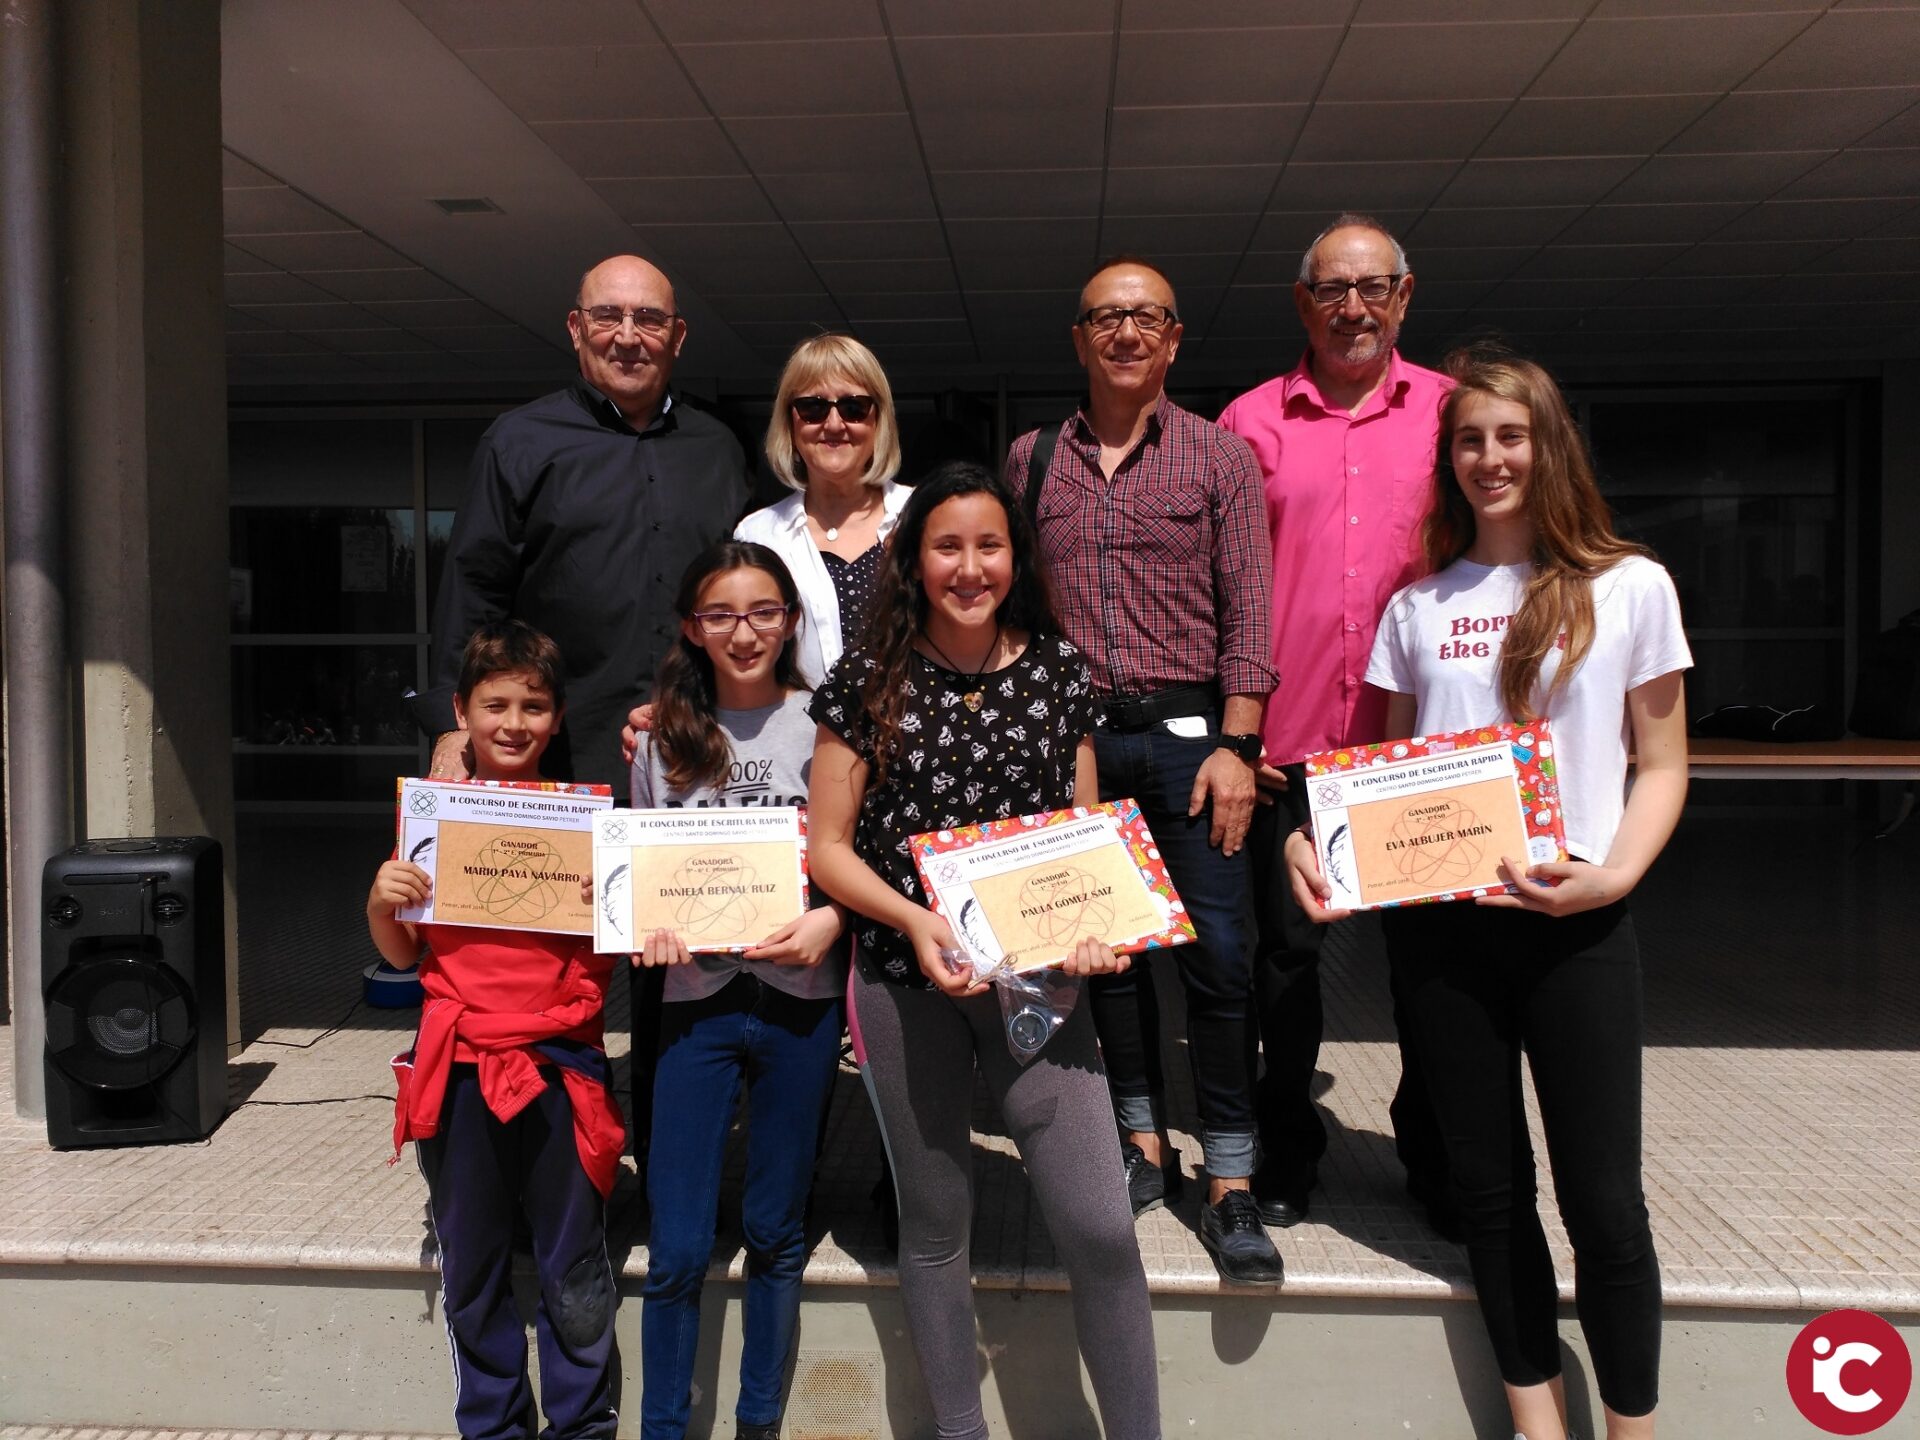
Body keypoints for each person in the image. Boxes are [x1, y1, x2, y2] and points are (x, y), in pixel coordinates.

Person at [1287, 348, 1689, 1440]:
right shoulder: (1417, 607)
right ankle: (1537, 1424)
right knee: (1490, 1194)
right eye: (1469, 440)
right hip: (1442, 938)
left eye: (1511, 435)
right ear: (1448, 460)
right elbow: (1372, 777)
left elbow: (1663, 765)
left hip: (1578, 928)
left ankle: (1633, 1430)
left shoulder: (1629, 586)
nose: (1490, 457)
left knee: (1605, 1205)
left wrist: (1613, 876)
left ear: (1550, 445)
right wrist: (1315, 844)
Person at [808, 462, 1162, 1440]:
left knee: (1101, 1228)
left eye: (989, 545)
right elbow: (828, 849)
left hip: (1039, 989)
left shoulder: (1061, 673)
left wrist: (1096, 928)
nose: (970, 568)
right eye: (947, 547)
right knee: (934, 1229)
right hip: (903, 982)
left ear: (1016, 556)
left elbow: (1084, 837)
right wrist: (913, 920)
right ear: (913, 562)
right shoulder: (866, 682)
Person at [1005, 256, 1283, 1284]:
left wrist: (1238, 747)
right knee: (1109, 955)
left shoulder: (1220, 458)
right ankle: (1142, 1146)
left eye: (1147, 317)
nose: (1126, 333)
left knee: (1221, 957)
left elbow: (1249, 610)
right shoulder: (1032, 459)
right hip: (1078, 742)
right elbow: (1015, 606)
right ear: (1079, 340)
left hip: (1191, 742)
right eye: (1105, 318)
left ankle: (1232, 1178)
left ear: (1173, 339)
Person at [1217, 213, 1454, 1231]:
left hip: (1422, 747)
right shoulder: (1248, 423)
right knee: (1284, 966)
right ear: (1302, 304)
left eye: (1373, 287)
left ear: (1404, 296)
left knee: (1433, 965)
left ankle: (1434, 1149)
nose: (1353, 308)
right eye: (1331, 290)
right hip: (1291, 747)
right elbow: (1221, 591)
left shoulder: (1452, 414)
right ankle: (1288, 1144)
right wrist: (1240, 733)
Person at [369, 620, 623, 1440]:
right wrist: (381, 902)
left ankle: (581, 1425)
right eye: (496, 705)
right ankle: (493, 1426)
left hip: (561, 1066)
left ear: (558, 718)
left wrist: (616, 897)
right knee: (473, 1262)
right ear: (461, 713)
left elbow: (618, 945)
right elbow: (402, 953)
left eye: (534, 707)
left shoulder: (591, 827)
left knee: (573, 1260)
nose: (514, 723)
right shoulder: (432, 820)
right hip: (462, 1069)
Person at [628, 542, 847, 1440]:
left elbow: (859, 851)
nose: (744, 632)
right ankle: (663, 1428)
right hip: (697, 1005)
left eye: (763, 612)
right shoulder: (661, 738)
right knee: (676, 1247)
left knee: (774, 1231)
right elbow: (642, 869)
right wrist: (647, 926)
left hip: (801, 999)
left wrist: (835, 916)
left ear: (790, 621)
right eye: (720, 614)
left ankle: (759, 1422)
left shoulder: (828, 723)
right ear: (693, 628)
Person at [417, 253, 748, 789]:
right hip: (562, 757)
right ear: (576, 328)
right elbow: (473, 590)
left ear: (678, 336)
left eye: (649, 319)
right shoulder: (518, 442)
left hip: (704, 747)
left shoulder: (720, 448)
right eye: (607, 316)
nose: (627, 336)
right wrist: (452, 730)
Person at [734, 333, 911, 686]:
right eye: (813, 408)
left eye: (853, 408)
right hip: (803, 722)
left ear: (878, 420)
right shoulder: (758, 535)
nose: (833, 424)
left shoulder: (921, 515)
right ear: (790, 423)